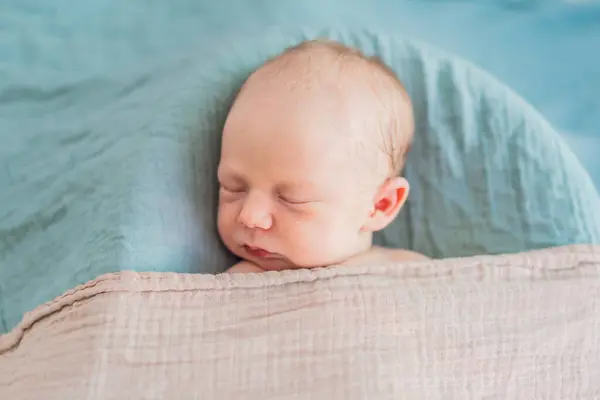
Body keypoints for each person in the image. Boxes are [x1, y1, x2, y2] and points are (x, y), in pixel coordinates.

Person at [217, 39, 428, 273]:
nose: (250, 216)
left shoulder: (415, 274)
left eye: (291, 198)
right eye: (233, 187)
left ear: (380, 205)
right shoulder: (234, 287)